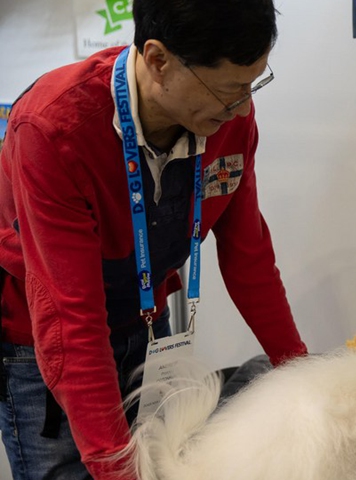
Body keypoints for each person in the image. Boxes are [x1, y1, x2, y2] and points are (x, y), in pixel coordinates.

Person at [0, 0, 307, 479]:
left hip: (145, 324)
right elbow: (71, 319)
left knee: (162, 466)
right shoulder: (53, 130)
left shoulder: (227, 122)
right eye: (231, 90)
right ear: (158, 59)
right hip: (46, 343)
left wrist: (303, 381)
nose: (244, 108)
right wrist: (113, 468)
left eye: (253, 86)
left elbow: (250, 259)